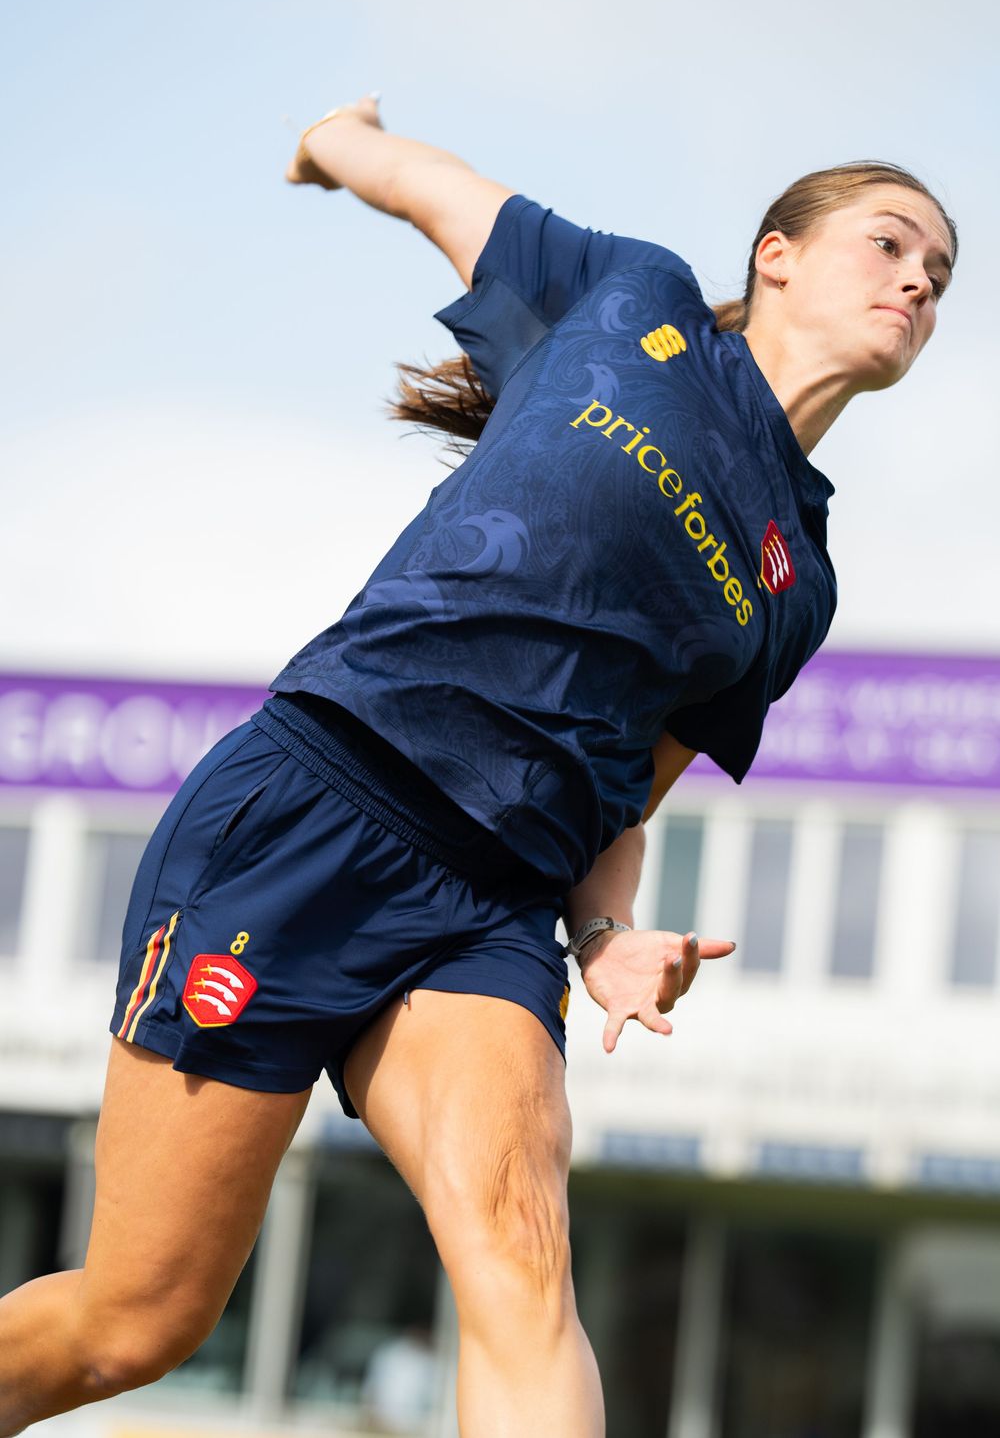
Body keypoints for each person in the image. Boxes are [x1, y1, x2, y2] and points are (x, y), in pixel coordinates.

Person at [0, 95, 956, 1438]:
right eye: (892, 243)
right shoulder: (636, 298)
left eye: (942, 274)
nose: (919, 280)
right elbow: (439, 191)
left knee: (521, 1272)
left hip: (490, 909)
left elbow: (630, 787)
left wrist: (608, 932)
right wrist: (336, 145)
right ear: (777, 253)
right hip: (317, 810)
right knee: (137, 1323)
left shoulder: (799, 579)